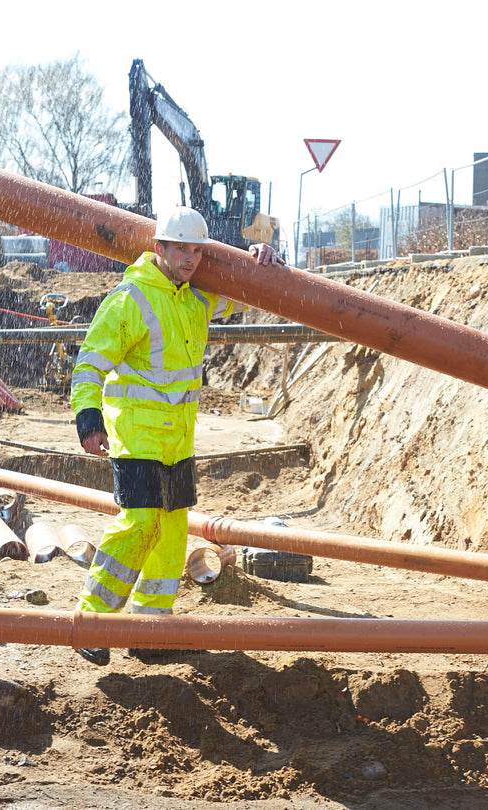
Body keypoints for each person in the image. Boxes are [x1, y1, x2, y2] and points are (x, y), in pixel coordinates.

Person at [70, 206, 285, 666]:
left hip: (178, 441)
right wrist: (88, 419)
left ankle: (152, 629)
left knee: (170, 533)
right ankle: (91, 621)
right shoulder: (130, 299)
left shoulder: (195, 299)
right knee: (141, 524)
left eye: (196, 251)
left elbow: (246, 296)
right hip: (137, 437)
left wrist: (259, 258)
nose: (189, 259)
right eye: (181, 249)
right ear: (159, 248)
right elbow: (88, 364)